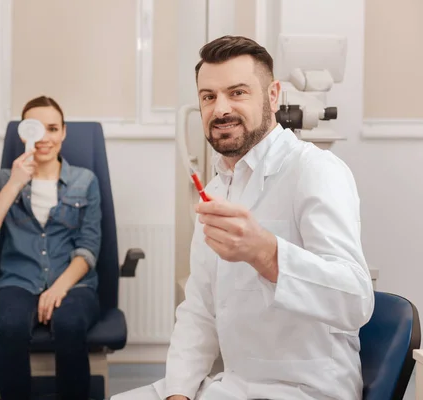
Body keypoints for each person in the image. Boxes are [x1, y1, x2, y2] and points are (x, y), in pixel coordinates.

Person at [112, 36, 374, 400]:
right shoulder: (218, 190)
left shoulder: (314, 170)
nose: (220, 109)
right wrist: (178, 393)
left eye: (237, 93)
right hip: (234, 385)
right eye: (208, 96)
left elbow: (356, 300)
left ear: (272, 96)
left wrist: (266, 254)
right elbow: (199, 310)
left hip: (306, 387)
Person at [0, 96, 102, 400]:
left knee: (69, 324)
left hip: (74, 284)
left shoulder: (85, 181)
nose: (44, 137)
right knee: (11, 328)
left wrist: (58, 289)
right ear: (23, 133)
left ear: (63, 133)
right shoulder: (3, 179)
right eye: (36, 129)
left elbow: (89, 246)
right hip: (18, 282)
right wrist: (15, 183)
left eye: (52, 128)